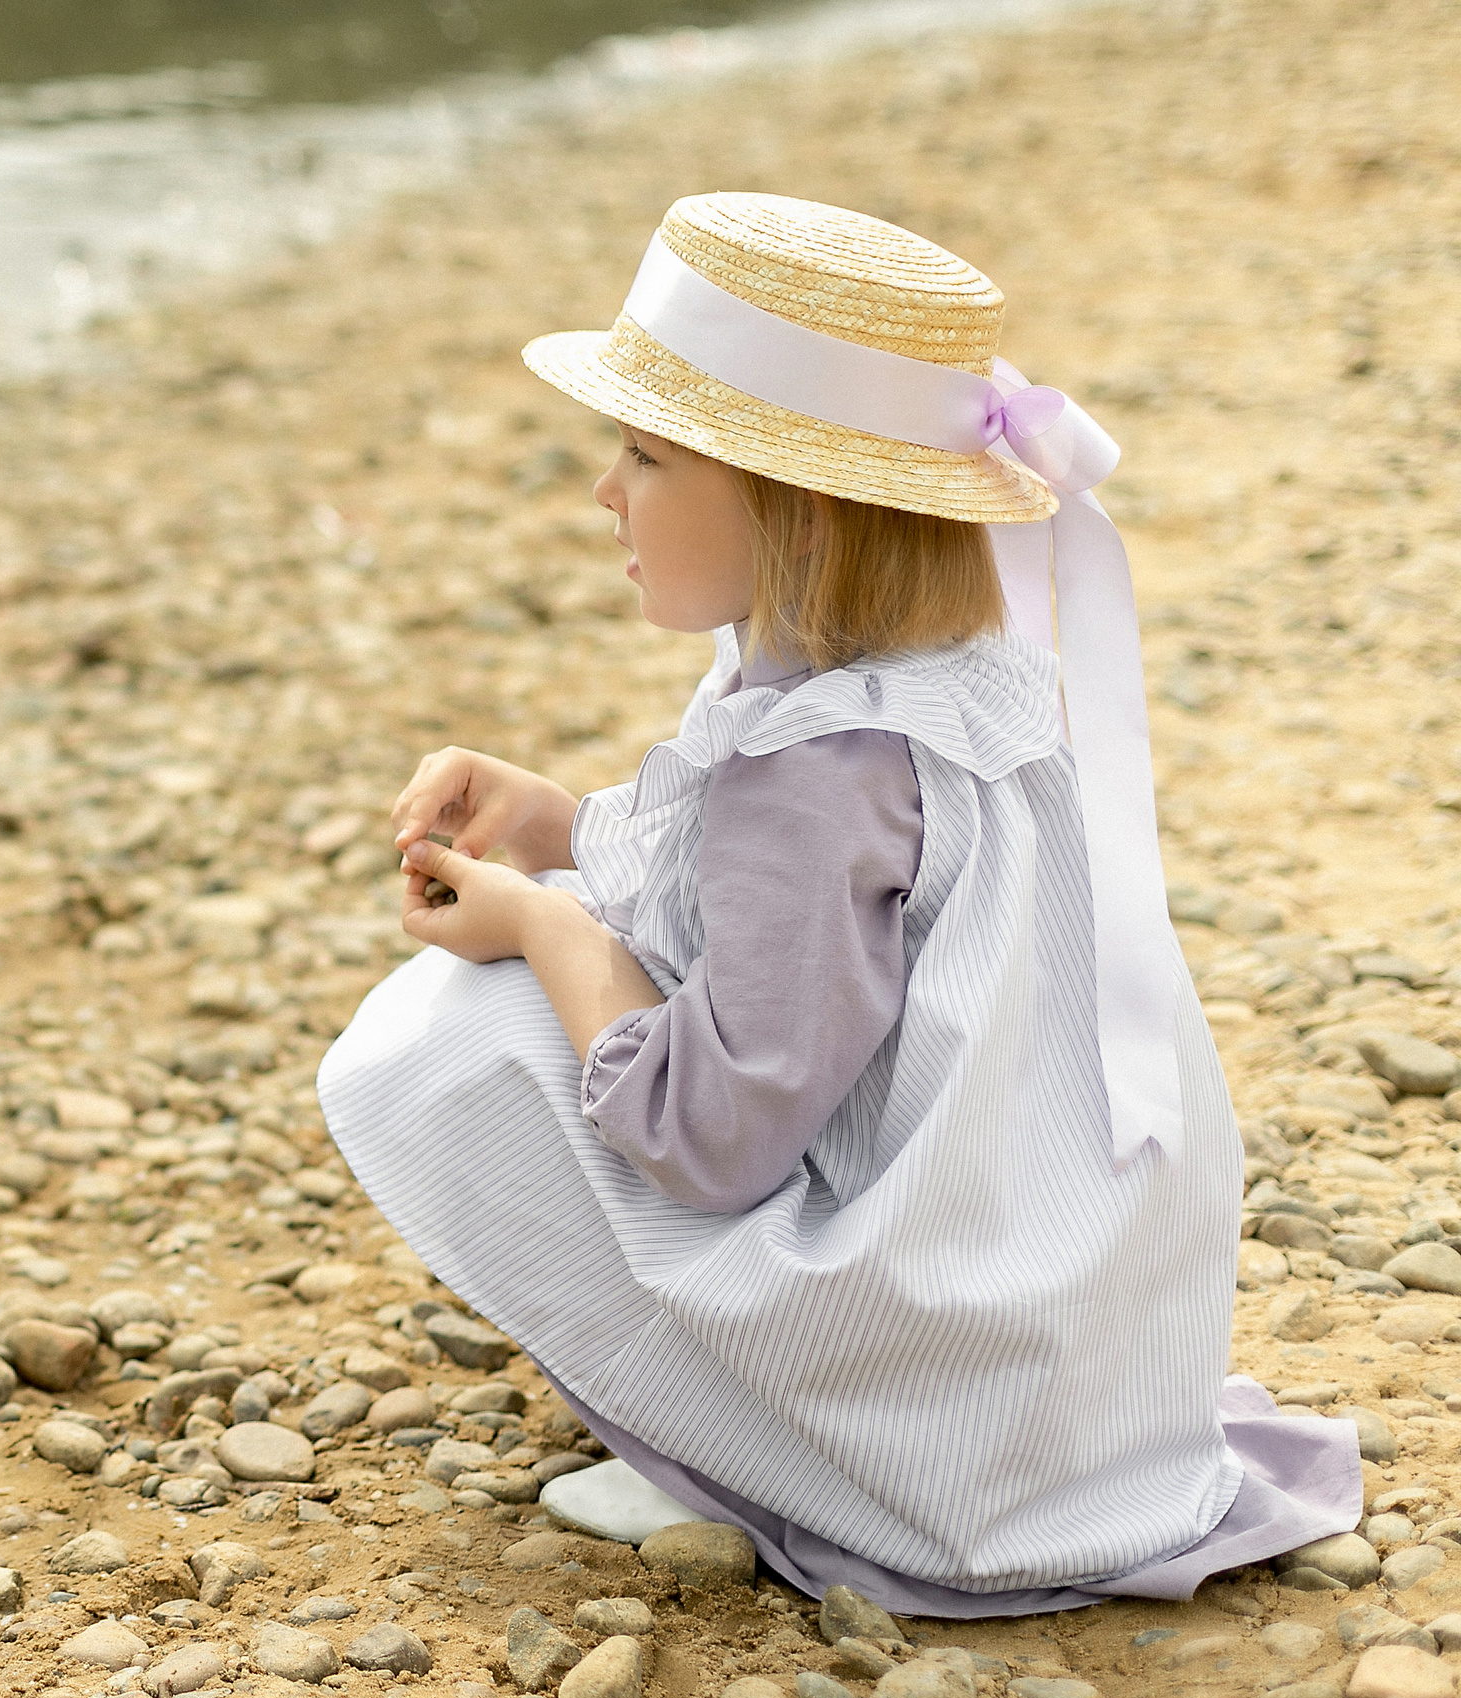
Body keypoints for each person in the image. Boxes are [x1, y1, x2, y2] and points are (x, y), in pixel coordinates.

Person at [315, 192, 1361, 1615]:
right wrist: (566, 828)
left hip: (953, 1402)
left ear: (793, 509)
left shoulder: (808, 772)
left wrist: (547, 923)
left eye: (644, 455)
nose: (603, 496)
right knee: (553, 962)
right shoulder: (960, 686)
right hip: (1072, 1337)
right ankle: (844, 1426)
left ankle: (746, 1455)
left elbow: (711, 1134)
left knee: (445, 1034)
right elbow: (783, 916)